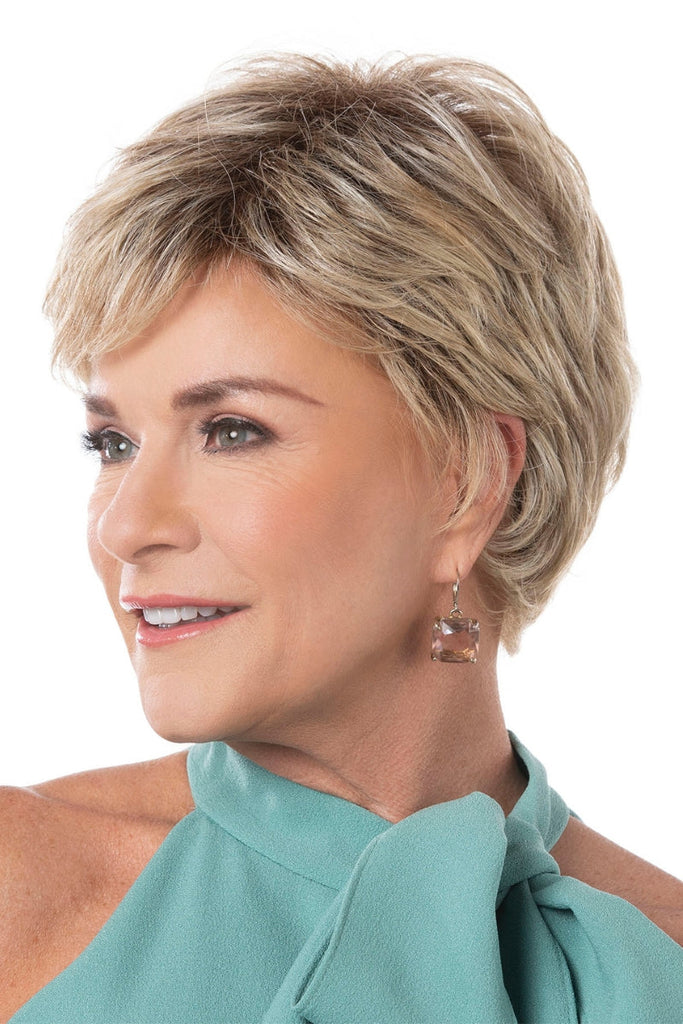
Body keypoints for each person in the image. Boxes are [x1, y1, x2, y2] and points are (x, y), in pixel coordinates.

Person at [1, 53, 681, 1024]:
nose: (125, 525)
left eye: (230, 430)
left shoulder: (655, 966)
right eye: (113, 442)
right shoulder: (21, 887)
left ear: (467, 482)